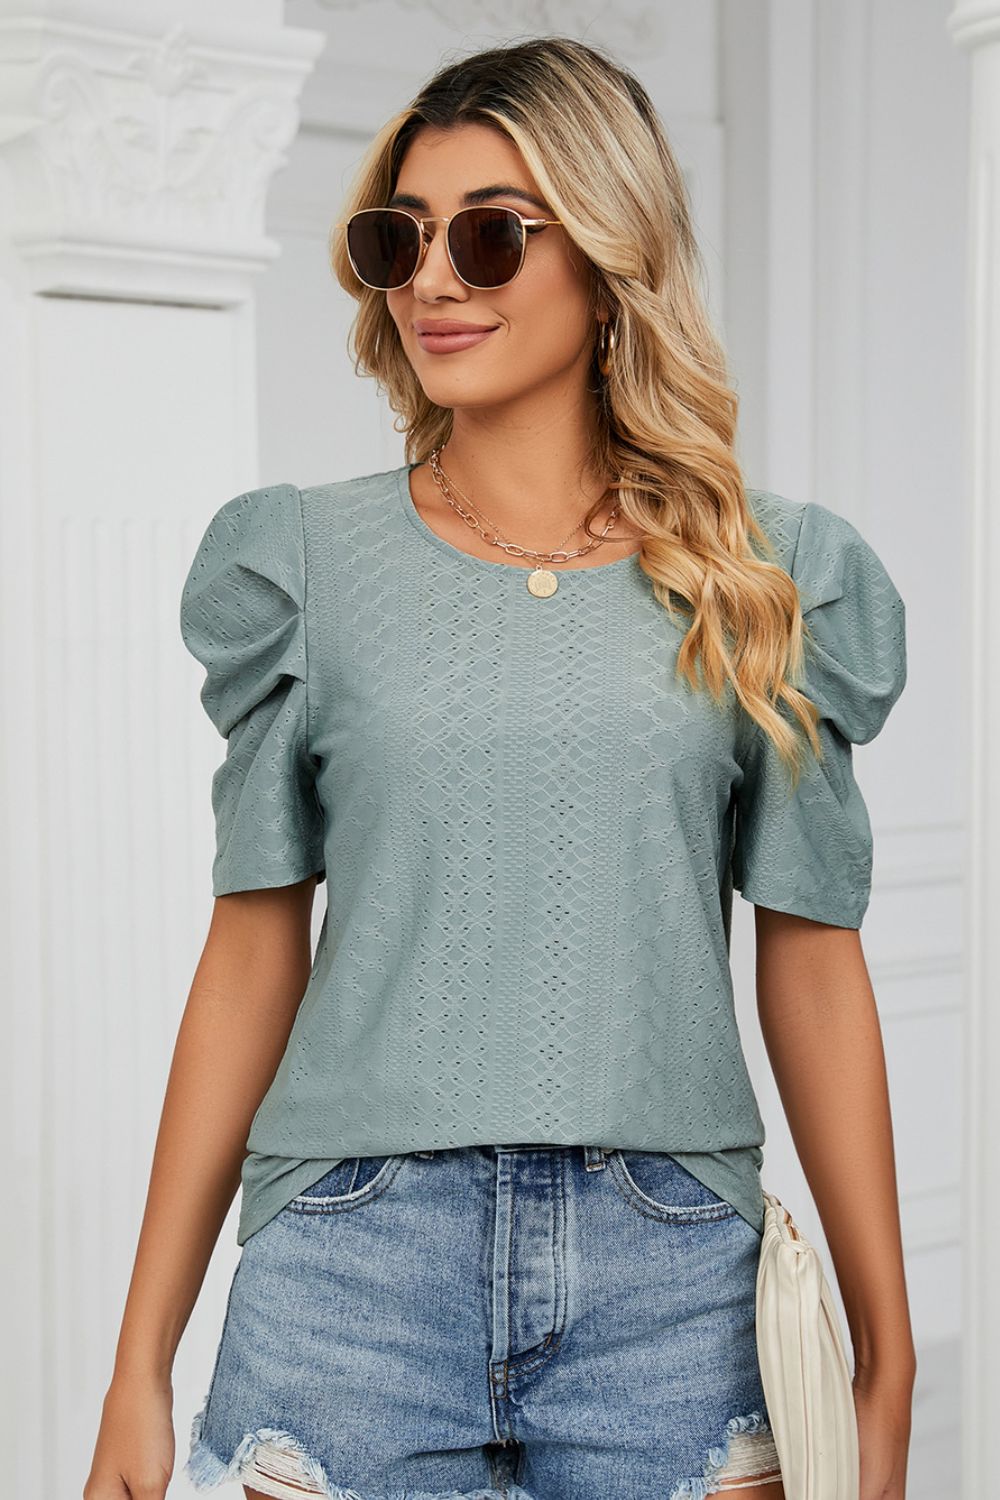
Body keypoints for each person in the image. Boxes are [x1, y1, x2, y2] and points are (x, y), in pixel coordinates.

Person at [83, 34, 916, 1500]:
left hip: (674, 1286)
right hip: (349, 1270)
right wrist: (137, 1362)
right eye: (397, 239)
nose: (431, 281)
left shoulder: (766, 577)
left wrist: (886, 1353)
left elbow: (813, 963)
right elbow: (252, 951)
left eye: (487, 237)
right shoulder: (302, 563)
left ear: (609, 255)